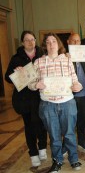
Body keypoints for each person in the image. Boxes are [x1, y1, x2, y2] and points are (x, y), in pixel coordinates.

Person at [28, 33, 83, 172]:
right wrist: (36, 85)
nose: (51, 44)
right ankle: (57, 160)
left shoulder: (67, 60)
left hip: (67, 102)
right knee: (54, 135)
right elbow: (30, 83)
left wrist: (78, 86)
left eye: (54, 41)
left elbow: (75, 80)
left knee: (70, 133)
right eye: (48, 42)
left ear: (59, 44)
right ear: (45, 46)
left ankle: (74, 159)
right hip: (48, 105)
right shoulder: (39, 62)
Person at [5, 30, 47, 167]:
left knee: (41, 124)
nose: (31, 42)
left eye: (33, 39)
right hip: (24, 99)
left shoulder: (42, 55)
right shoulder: (16, 58)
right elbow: (8, 77)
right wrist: (15, 72)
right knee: (29, 126)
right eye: (27, 40)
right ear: (23, 42)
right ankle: (33, 152)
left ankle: (42, 148)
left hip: (40, 97)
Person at [67, 33, 85, 151]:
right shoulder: (63, 57)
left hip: (84, 93)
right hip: (69, 95)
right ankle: (66, 145)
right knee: (69, 121)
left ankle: (82, 141)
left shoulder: (84, 56)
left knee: (83, 119)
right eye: (73, 41)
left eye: (78, 41)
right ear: (68, 42)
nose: (76, 43)